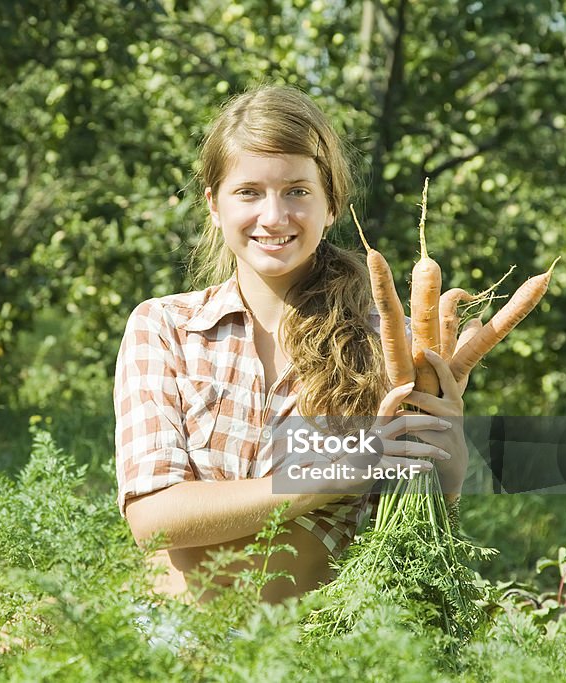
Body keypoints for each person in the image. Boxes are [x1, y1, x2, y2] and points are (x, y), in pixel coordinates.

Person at [114, 85, 468, 603]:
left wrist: (450, 473)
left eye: (297, 191)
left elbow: (417, 534)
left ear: (332, 206)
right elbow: (153, 521)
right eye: (249, 192)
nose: (274, 216)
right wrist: (330, 478)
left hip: (319, 648)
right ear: (213, 205)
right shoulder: (164, 328)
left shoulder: (390, 342)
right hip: (172, 641)